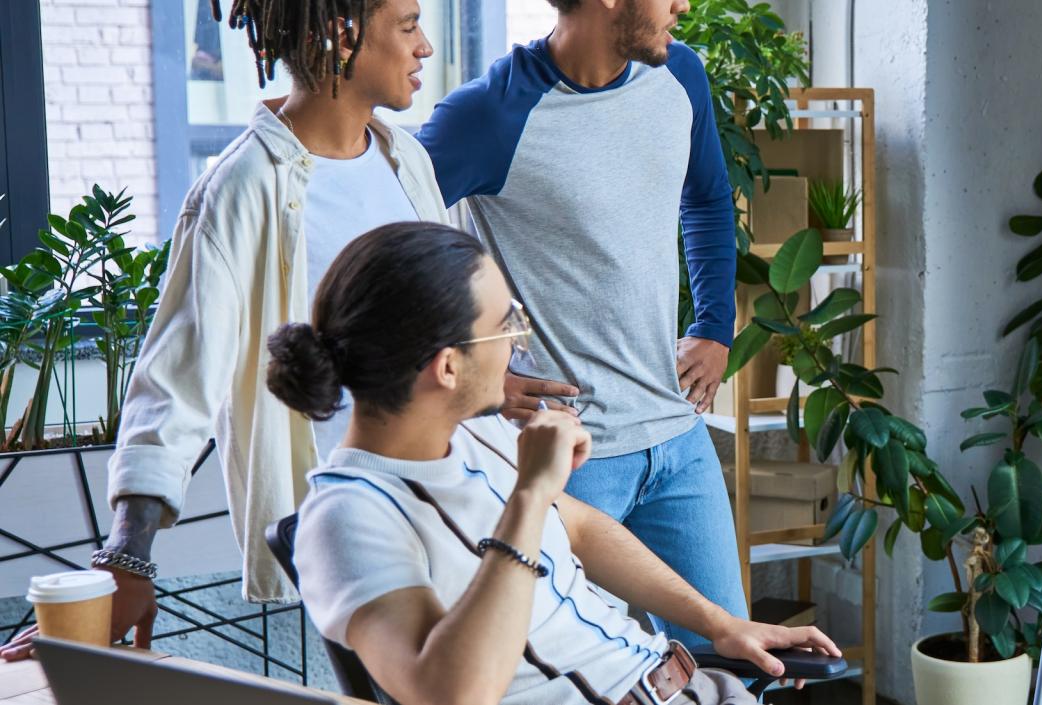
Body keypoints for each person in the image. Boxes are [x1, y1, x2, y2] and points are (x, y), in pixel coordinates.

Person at [1, 0, 448, 662]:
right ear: (339, 31)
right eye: (408, 25)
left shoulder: (405, 161)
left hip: (447, 512)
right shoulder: (243, 186)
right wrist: (127, 555)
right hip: (347, 543)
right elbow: (178, 376)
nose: (426, 48)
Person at [269, 221, 836, 705]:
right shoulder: (346, 518)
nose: (517, 345)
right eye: (503, 327)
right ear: (447, 367)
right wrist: (530, 496)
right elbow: (448, 693)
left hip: (688, 685)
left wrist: (724, 626)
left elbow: (582, 527)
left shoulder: (475, 434)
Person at [415, 0, 744, 642]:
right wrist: (485, 379)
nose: (682, 5)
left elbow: (705, 196)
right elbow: (387, 253)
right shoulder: (491, 114)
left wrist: (714, 324)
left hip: (677, 437)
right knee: (569, 679)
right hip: (570, 458)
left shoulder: (682, 74)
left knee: (735, 666)